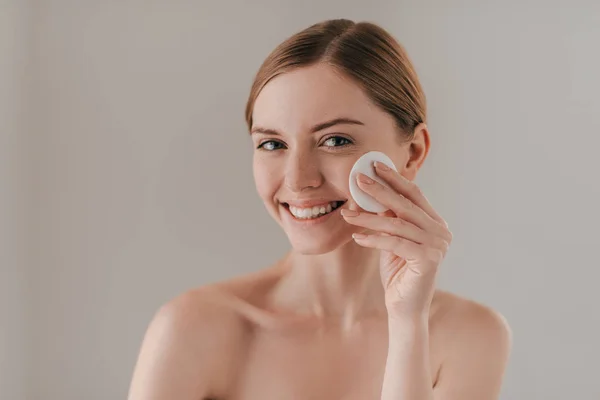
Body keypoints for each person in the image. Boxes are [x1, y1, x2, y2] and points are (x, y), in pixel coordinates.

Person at [127, 18, 512, 400]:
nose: (298, 180)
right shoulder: (194, 329)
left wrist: (408, 324)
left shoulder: (470, 336)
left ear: (412, 152)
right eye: (273, 144)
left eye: (335, 140)